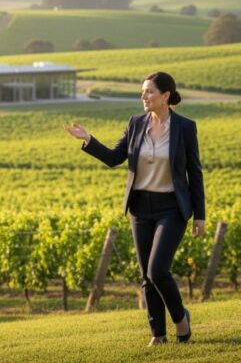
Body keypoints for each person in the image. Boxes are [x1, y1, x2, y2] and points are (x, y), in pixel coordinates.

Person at [63, 72, 205, 346]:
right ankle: (158, 335)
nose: (144, 96)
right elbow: (115, 158)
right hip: (140, 208)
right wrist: (88, 139)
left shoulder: (185, 127)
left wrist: (200, 214)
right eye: (142, 91)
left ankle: (180, 319)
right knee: (147, 276)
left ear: (166, 96)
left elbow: (194, 173)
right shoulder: (135, 123)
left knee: (157, 270)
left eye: (150, 91)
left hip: (171, 208)